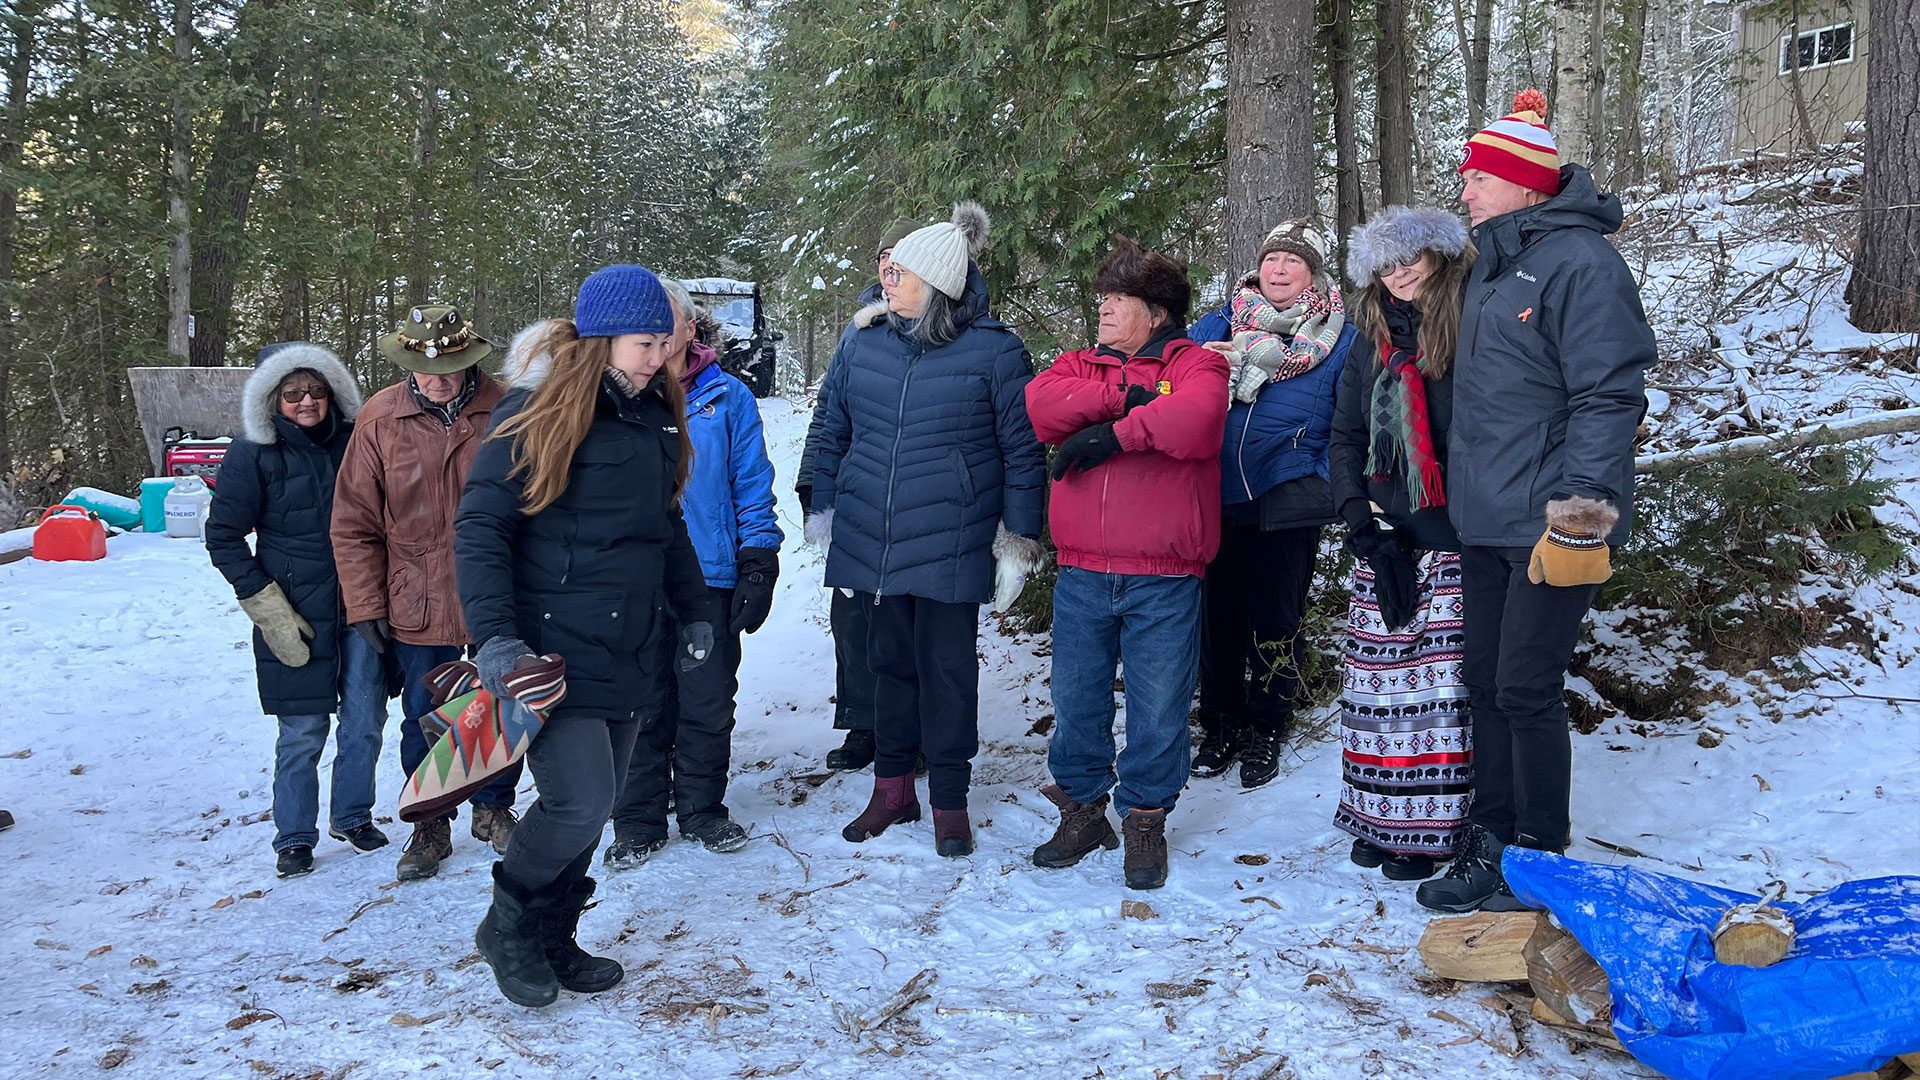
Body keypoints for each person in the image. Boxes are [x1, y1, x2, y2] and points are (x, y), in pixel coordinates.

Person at [1415, 91, 1658, 914]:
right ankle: (1489, 841)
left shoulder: (1582, 263)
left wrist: (1582, 517)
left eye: (1479, 173)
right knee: (1482, 684)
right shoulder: (1489, 263)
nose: (1466, 185)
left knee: (1525, 687)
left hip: (1552, 525)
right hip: (1485, 520)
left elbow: (1609, 394)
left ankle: (1540, 856)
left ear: (1525, 184)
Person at [455, 265, 717, 1007]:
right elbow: (481, 527)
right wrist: (497, 638)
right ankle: (505, 926)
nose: (657, 355)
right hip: (551, 650)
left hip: (632, 643)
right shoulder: (535, 410)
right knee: (579, 799)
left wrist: (694, 608)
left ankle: (553, 932)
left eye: (664, 342)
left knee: (596, 806)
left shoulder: (655, 410)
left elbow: (665, 527)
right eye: (643, 341)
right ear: (600, 339)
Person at [807, 202, 1047, 858]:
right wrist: (824, 512)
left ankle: (948, 798)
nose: (889, 277)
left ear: (938, 283)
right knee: (885, 664)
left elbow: (1022, 453)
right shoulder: (863, 339)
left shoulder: (995, 351)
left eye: (904, 271)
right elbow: (832, 427)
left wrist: (1018, 544)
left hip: (951, 538)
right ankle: (892, 789)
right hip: (873, 539)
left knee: (945, 671)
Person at [1025, 236, 1229, 890]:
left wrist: (1109, 435)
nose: (1105, 310)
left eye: (1119, 300)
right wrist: (1128, 402)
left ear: (1158, 312)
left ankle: (1145, 817)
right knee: (1076, 701)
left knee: (1159, 706)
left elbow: (1195, 423)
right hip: (1083, 571)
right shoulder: (1080, 365)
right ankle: (1084, 812)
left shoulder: (1198, 365)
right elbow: (1039, 407)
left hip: (1165, 575)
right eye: (1104, 299)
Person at [332, 303, 521, 883]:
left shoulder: (510, 408)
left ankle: (494, 806)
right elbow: (354, 522)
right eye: (424, 368)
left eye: (451, 366)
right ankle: (429, 820)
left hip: (499, 587)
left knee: (502, 701)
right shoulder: (379, 419)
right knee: (422, 714)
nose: (437, 378)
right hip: (415, 594)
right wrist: (365, 605)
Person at [606, 278, 782, 866]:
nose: (659, 338)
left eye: (669, 322)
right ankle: (637, 820)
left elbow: (751, 481)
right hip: (634, 576)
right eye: (647, 328)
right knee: (641, 699)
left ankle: (703, 809)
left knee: (706, 699)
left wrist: (758, 559)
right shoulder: (620, 394)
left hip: (710, 573)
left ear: (690, 327)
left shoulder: (727, 395)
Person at [1329, 206, 1477, 883]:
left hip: (1454, 537)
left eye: (1408, 258)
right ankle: (1383, 820)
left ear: (1437, 255)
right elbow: (1344, 437)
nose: (1398, 273)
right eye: (1384, 266)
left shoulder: (1471, 321)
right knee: (1378, 701)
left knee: (1439, 701)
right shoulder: (1371, 338)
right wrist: (1359, 522)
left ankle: (1438, 832)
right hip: (1387, 540)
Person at [1186, 219, 1357, 788]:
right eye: (1272, 259)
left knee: (1276, 620)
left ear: (1314, 273)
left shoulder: (1339, 336)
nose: (1279, 269)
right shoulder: (1218, 324)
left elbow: (1351, 422)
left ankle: (1266, 726)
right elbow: (1172, 385)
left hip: (1290, 499)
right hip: (1219, 496)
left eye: (1293, 261)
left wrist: (1321, 477)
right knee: (1220, 619)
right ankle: (1220, 724)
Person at [205, 342, 380, 880]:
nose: (306, 402)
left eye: (316, 391)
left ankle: (352, 814)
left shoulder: (356, 442)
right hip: (295, 604)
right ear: (273, 401)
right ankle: (295, 835)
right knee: (302, 729)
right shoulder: (252, 452)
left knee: (365, 718)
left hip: (360, 598)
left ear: (333, 395)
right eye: (292, 393)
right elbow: (224, 537)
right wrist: (267, 607)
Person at [797, 216, 922, 772]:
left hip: (915, 500)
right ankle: (860, 723)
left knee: (911, 621)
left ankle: (911, 730)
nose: (887, 267)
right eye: (882, 256)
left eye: (900, 256)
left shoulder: (939, 321)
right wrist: (812, 485)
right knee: (853, 618)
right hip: (855, 494)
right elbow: (830, 412)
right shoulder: (860, 329)